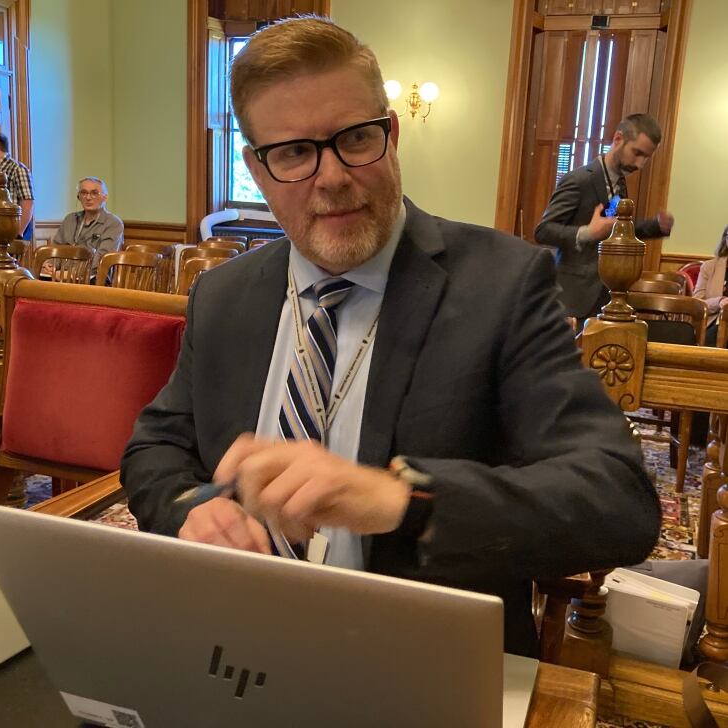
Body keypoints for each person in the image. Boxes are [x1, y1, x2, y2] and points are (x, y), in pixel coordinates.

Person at [121, 16, 660, 657]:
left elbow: (619, 499)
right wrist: (189, 509)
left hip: (412, 656)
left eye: (355, 138)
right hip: (236, 637)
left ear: (391, 134)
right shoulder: (223, 295)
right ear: (257, 171)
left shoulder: (500, 284)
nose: (331, 176)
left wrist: (404, 500)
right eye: (293, 152)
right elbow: (155, 447)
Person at [535, 113, 675, 324]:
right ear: (618, 139)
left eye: (646, 157)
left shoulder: (619, 184)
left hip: (607, 295)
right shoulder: (580, 180)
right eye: (636, 153)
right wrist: (586, 233)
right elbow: (543, 230)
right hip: (574, 298)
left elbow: (612, 229)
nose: (640, 164)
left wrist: (654, 226)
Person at [51, 176, 123, 279]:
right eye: (84, 193)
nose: (88, 198)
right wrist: (51, 265)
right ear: (78, 197)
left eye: (94, 193)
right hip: (61, 275)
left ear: (105, 197)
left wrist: (75, 273)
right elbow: (56, 249)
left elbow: (102, 259)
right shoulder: (70, 219)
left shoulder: (113, 223)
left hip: (94, 279)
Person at [693, 225, 728, 347]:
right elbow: (697, 304)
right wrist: (719, 302)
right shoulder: (709, 267)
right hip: (714, 323)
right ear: (726, 240)